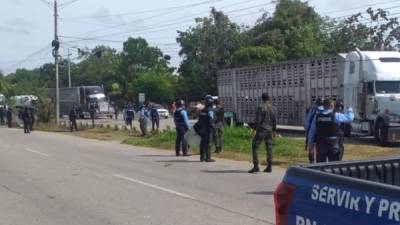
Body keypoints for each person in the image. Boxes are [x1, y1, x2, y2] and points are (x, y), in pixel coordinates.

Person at [307, 98, 354, 163]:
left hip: (320, 145)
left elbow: (311, 132)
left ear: (323, 106)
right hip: (332, 145)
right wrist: (350, 109)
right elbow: (350, 118)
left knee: (320, 167)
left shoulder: (317, 117)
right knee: (333, 167)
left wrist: (310, 145)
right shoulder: (336, 116)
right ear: (332, 106)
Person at [248, 93, 277, 173]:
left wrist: (254, 130)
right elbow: (274, 120)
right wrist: (274, 131)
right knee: (269, 147)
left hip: (262, 129)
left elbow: (258, 121)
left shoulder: (260, 107)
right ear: (269, 98)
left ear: (262, 98)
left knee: (255, 146)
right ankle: (269, 166)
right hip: (270, 130)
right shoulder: (273, 108)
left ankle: (256, 166)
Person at [194, 95, 215, 162]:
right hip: (208, 129)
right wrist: (214, 128)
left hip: (201, 129)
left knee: (202, 143)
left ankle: (202, 157)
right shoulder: (210, 111)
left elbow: (200, 120)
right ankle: (208, 158)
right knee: (208, 144)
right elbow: (211, 120)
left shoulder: (202, 110)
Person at [304, 97, 324, 163]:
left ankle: (312, 162)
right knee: (320, 148)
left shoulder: (311, 109)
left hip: (311, 131)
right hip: (321, 132)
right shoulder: (325, 109)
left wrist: (307, 130)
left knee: (311, 147)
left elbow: (307, 122)